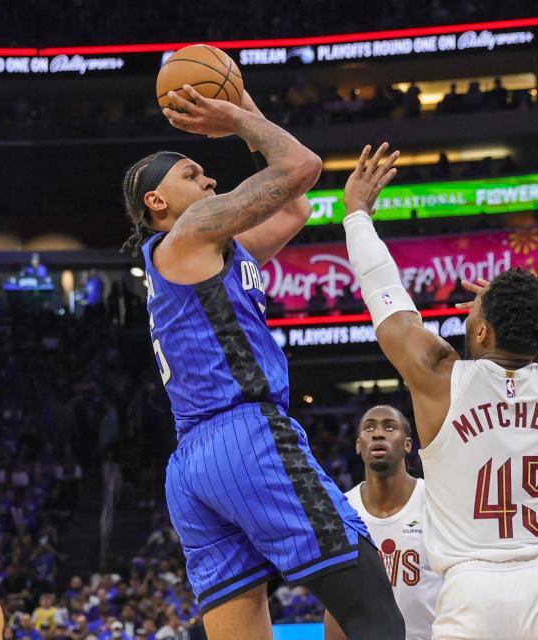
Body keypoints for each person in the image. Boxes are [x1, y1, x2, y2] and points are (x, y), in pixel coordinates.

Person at [123, 86, 403, 640]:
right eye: (189, 173)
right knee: (371, 600)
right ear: (157, 202)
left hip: (192, 467)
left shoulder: (211, 249)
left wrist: (246, 104)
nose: (207, 180)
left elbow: (296, 204)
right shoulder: (188, 234)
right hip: (244, 438)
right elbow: (302, 166)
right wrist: (232, 114)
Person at [339, 142, 538, 639]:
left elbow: (385, 297)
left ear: (483, 334)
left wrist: (357, 214)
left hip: (471, 593)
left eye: (474, 314)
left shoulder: (439, 375)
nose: (467, 315)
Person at [325, 406, 442, 640]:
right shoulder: (341, 510)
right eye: (369, 428)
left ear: (408, 444)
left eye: (389, 427)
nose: (378, 434)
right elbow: (336, 600)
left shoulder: (436, 500)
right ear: (359, 446)